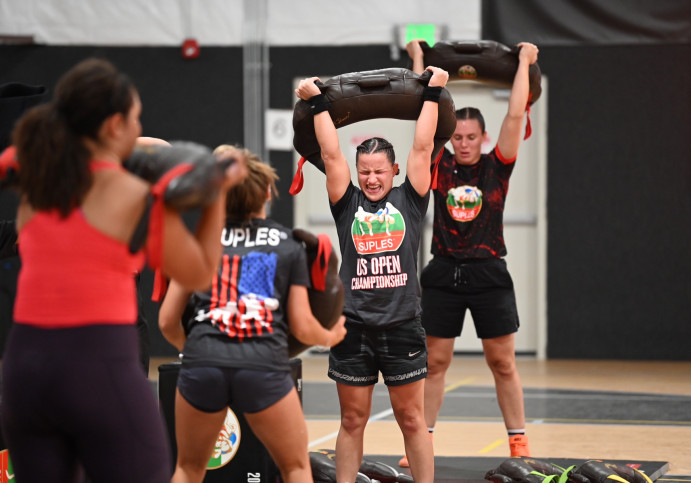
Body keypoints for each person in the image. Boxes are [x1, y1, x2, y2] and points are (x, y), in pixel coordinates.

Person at [0, 57, 247, 483]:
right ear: (115, 124)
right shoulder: (132, 196)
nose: (138, 128)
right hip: (97, 365)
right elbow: (199, 273)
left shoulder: (36, 183)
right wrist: (216, 196)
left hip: (25, 371)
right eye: (135, 118)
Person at [295, 65, 449, 483]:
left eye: (380, 170)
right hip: (354, 326)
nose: (372, 178)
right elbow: (330, 155)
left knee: (412, 420)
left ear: (394, 171)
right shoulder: (346, 202)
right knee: (352, 420)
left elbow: (422, 147)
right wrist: (317, 102)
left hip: (402, 324)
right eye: (365, 170)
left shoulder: (412, 198)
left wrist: (433, 94)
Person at [158, 146, 347, 483]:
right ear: (268, 191)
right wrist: (331, 336)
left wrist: (199, 349)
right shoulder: (287, 245)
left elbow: (167, 322)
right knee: (295, 468)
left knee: (188, 469)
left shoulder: (200, 241)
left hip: (203, 364)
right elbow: (303, 327)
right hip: (262, 365)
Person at [401, 39, 539, 465]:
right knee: (436, 363)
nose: (463, 142)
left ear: (483, 138)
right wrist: (419, 62)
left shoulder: (497, 166)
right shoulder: (439, 165)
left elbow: (516, 112)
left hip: (488, 273)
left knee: (502, 362)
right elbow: (421, 128)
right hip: (443, 273)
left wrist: (526, 62)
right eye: (457, 136)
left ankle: (518, 440)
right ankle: (422, 439)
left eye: (471, 136)